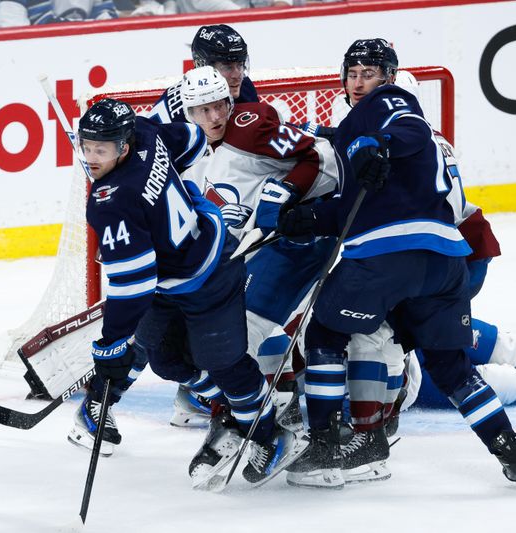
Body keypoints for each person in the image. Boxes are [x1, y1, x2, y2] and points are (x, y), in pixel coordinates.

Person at [277, 38, 516, 489]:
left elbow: (405, 129)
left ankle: (323, 446)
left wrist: (375, 144)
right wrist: (310, 218)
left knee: (325, 332)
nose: (360, 82)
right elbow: (359, 202)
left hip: (388, 257)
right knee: (451, 368)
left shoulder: (391, 105)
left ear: (390, 78)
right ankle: (511, 452)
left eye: (370, 73)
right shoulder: (359, 133)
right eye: (353, 73)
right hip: (445, 260)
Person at [67, 98, 305, 488]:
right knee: (164, 359)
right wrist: (157, 196)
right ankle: (229, 407)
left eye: (101, 150)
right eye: (87, 147)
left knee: (224, 362)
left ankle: (270, 436)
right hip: (175, 274)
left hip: (211, 272)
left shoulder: (112, 202)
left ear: (123, 147)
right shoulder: (143, 131)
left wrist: (109, 344)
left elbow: (134, 282)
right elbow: (192, 139)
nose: (91, 157)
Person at [178, 65, 341, 427]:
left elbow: (318, 156)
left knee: (236, 338)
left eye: (220, 104)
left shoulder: (247, 126)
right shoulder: (191, 160)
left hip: (295, 242)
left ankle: (247, 423)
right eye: (204, 110)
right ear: (189, 114)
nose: (216, 115)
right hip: (257, 256)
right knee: (223, 338)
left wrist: (284, 192)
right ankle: (278, 404)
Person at [148, 24, 258, 125]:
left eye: (240, 64)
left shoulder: (245, 87)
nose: (237, 75)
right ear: (202, 66)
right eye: (227, 67)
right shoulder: (185, 109)